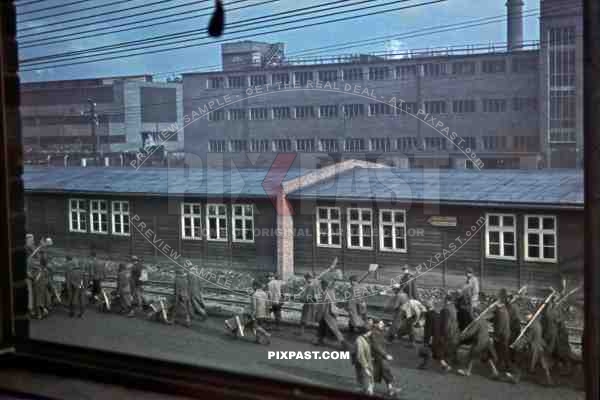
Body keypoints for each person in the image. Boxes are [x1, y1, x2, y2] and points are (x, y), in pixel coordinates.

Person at [491, 289, 518, 383]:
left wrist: (496, 336)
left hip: (504, 335)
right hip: (506, 333)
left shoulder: (503, 311)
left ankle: (508, 372)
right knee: (504, 353)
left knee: (504, 353)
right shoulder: (504, 309)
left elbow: (500, 325)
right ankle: (504, 368)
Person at [370, 319, 400, 396]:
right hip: (377, 357)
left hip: (380, 357)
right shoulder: (373, 333)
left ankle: (390, 389)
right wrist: (385, 355)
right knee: (384, 371)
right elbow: (376, 346)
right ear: (375, 325)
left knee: (383, 372)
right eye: (381, 324)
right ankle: (369, 388)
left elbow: (385, 342)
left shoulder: (380, 332)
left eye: (383, 324)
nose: (382, 325)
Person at [313, 278, 346, 348]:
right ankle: (320, 340)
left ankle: (344, 344)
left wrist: (319, 313)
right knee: (322, 327)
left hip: (327, 313)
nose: (321, 286)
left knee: (334, 329)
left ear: (324, 285)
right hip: (328, 313)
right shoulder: (330, 291)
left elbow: (323, 305)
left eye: (321, 285)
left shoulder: (326, 293)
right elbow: (334, 302)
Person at [438, 292, 460, 371]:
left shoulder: (445, 309)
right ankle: (453, 360)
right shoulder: (453, 307)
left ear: (446, 299)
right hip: (454, 330)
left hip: (448, 331)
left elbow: (445, 323)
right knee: (451, 346)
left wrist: (442, 333)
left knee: (443, 347)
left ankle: (446, 364)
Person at [418, 300, 441, 370]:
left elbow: (421, 324)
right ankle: (444, 365)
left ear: (426, 307)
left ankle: (425, 365)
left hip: (429, 335)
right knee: (433, 351)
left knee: (426, 351)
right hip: (436, 334)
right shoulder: (437, 314)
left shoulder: (427, 314)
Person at [352, 325, 374, 395]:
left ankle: (368, 389)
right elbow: (360, 355)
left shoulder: (367, 338)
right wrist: (365, 367)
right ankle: (366, 389)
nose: (371, 332)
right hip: (361, 362)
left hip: (367, 361)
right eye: (370, 331)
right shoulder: (359, 341)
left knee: (369, 376)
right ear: (367, 332)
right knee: (365, 376)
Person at [32, 255, 51, 319]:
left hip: (38, 287)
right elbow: (48, 280)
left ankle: (40, 314)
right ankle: (43, 312)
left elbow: (34, 278)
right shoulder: (46, 270)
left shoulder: (37, 270)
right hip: (43, 287)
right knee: (42, 301)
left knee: (38, 301)